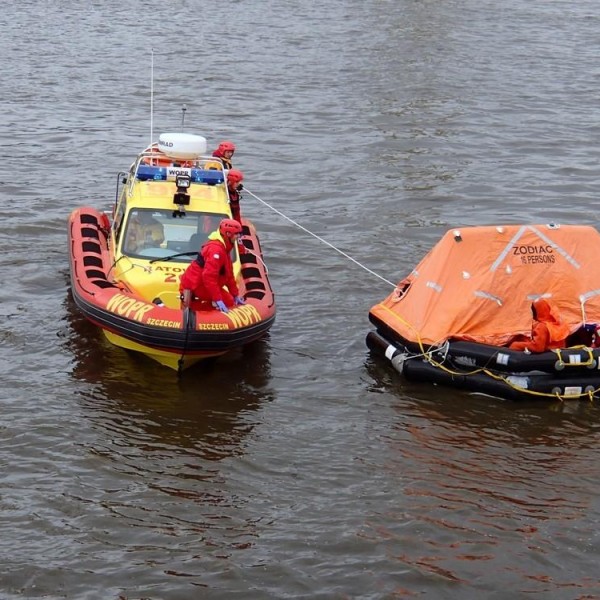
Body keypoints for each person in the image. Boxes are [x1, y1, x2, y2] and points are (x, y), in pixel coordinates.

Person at [179, 218, 246, 313]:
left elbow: (229, 275)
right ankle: (201, 317)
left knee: (229, 300)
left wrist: (235, 294)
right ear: (228, 234)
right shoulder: (216, 250)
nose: (238, 236)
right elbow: (208, 277)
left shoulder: (225, 247)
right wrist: (218, 299)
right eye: (236, 234)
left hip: (200, 283)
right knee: (227, 301)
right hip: (195, 285)